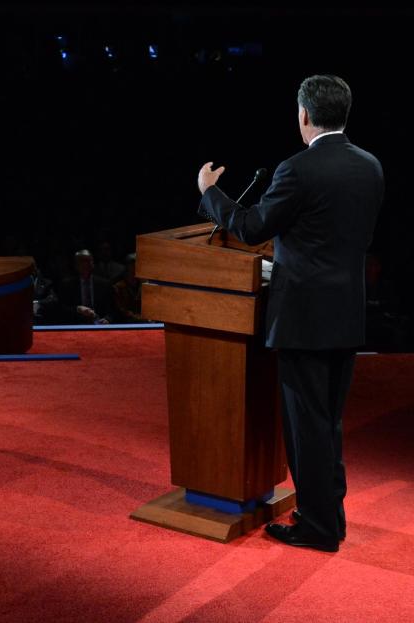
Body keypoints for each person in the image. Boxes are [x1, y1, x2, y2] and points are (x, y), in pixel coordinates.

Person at [197, 74, 384, 552]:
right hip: (346, 315)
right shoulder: (371, 167)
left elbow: (253, 224)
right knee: (328, 423)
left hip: (303, 319)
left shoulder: (298, 169)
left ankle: (319, 528)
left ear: (304, 115)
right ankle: (329, 518)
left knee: (308, 429)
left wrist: (210, 192)